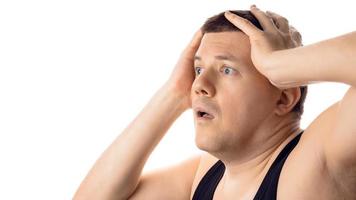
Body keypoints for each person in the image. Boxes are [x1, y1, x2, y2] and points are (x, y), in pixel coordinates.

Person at [73, 4, 356, 200]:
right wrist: (174, 93)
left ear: (284, 97)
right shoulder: (207, 174)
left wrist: (276, 63)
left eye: (226, 70)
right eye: (198, 70)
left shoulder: (318, 157)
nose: (200, 86)